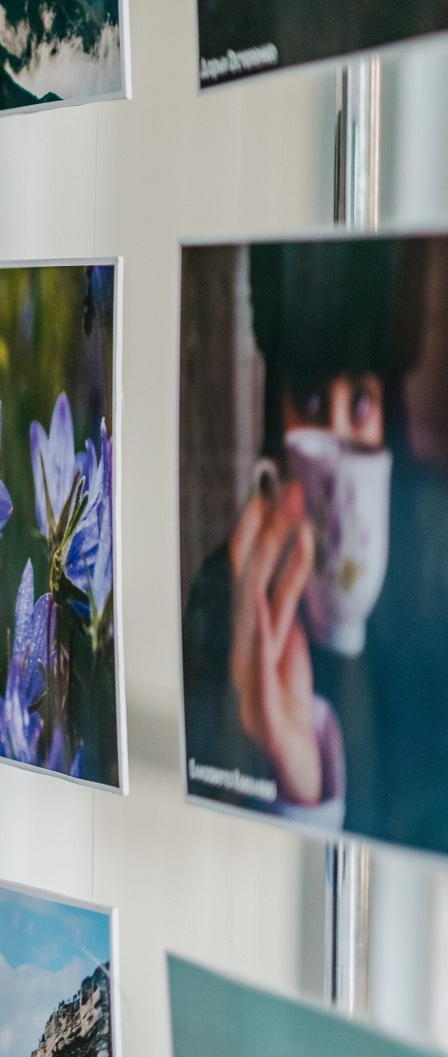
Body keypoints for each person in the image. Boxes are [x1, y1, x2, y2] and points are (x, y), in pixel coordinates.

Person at [182, 242, 448, 855]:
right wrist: (294, 779)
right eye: (308, 403)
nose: (336, 435)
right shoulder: (226, 592)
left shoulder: (431, 592)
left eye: (362, 403)